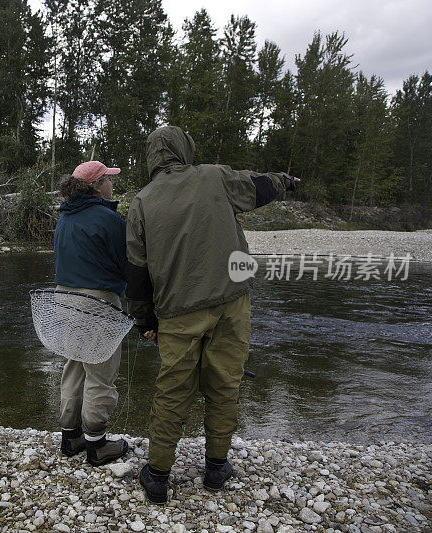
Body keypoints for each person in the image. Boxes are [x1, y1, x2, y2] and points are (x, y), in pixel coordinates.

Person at [126, 126, 299, 503]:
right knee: (225, 384)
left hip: (176, 313)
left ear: (152, 156)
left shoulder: (141, 201)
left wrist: (145, 322)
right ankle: (217, 468)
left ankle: (157, 475)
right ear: (185, 149)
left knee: (172, 391)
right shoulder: (213, 176)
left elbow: (137, 272)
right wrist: (286, 181)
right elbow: (260, 186)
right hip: (230, 303)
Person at [54, 160, 131, 467]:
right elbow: (128, 264)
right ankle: (97, 445)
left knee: (75, 365)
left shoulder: (64, 217)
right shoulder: (106, 218)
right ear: (98, 186)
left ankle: (70, 437)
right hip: (97, 301)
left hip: (64, 299)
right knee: (100, 372)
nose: (113, 184)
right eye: (109, 179)